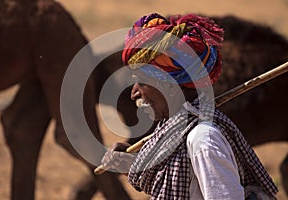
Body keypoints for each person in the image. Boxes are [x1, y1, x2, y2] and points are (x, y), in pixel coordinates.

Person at [100, 13, 278, 199]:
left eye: (141, 82)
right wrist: (128, 165)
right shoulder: (173, 132)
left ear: (168, 85)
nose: (134, 93)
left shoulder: (203, 140)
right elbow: (176, 184)